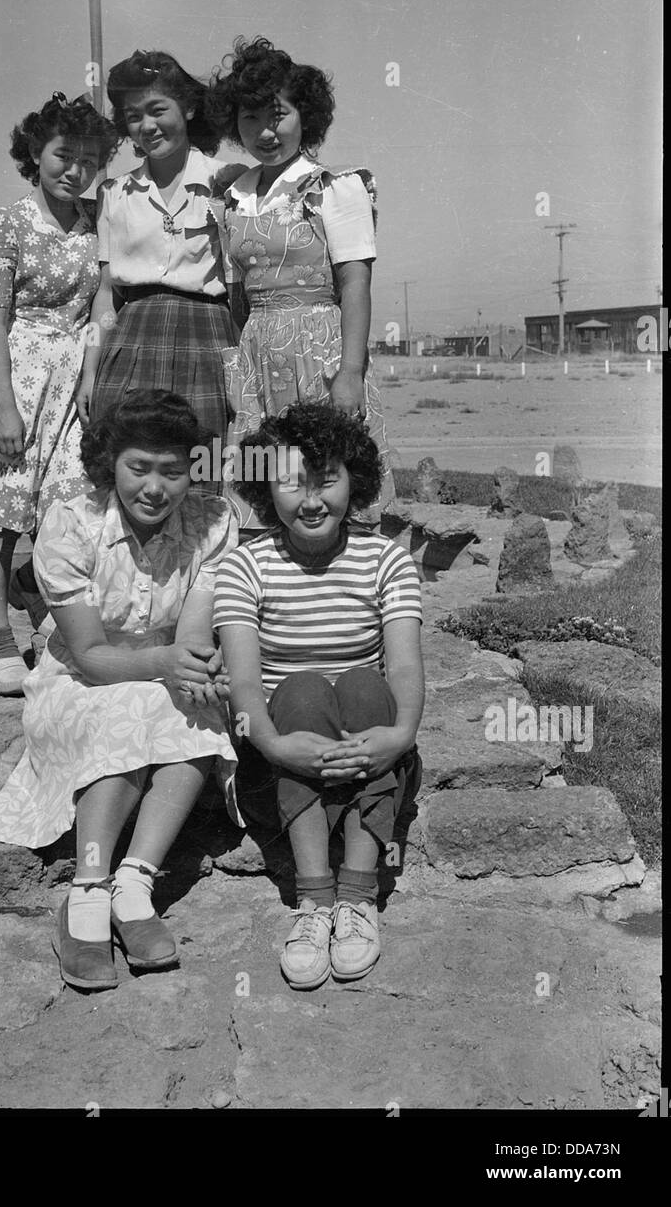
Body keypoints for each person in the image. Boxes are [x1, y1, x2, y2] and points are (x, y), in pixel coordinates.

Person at [0, 390, 242, 992]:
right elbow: (88, 654)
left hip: (162, 671)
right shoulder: (70, 521)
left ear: (194, 469)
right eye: (139, 468)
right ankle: (86, 888)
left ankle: (133, 883)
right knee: (130, 702)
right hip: (77, 680)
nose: (155, 488)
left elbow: (191, 633)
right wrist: (171, 663)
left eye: (173, 471)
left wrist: (190, 667)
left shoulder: (214, 523)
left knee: (190, 707)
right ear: (111, 462)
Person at [214, 403, 424, 991]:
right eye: (292, 483)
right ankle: (315, 901)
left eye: (326, 479)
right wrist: (278, 747)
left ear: (354, 480)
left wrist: (401, 734)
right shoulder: (243, 567)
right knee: (302, 687)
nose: (311, 501)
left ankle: (358, 897)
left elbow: (404, 664)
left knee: (361, 681)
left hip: (366, 730)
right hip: (283, 738)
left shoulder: (386, 559)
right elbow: (247, 686)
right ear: (264, 490)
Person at [0, 93, 118, 695]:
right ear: (35, 155)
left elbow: (102, 302)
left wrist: (92, 370)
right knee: (2, 519)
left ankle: (36, 595)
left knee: (70, 510)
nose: (75, 171)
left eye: (89, 160)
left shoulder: (99, 220)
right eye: (63, 156)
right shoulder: (4, 223)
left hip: (73, 382)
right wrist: (5, 407)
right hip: (15, 378)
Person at [44, 50, 246, 509]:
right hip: (131, 341)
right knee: (128, 471)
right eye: (133, 117)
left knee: (200, 469)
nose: (147, 126)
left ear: (188, 109)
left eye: (158, 111)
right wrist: (91, 370)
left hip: (206, 339)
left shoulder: (228, 182)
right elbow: (105, 296)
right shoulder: (114, 193)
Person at [207, 36, 396, 526]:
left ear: (304, 116)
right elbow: (237, 294)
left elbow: (355, 284)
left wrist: (349, 372)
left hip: (322, 350)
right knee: (267, 479)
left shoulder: (335, 187)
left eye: (278, 115)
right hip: (257, 352)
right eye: (250, 119)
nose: (265, 132)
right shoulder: (234, 196)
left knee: (327, 476)